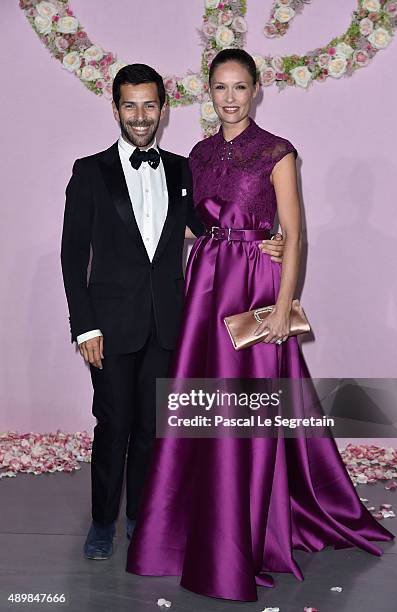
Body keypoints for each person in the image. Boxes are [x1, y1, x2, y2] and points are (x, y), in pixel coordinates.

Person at [126, 50, 395, 601]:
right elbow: (188, 227)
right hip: (204, 290)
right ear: (209, 91)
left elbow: (293, 235)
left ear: (256, 91)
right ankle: (181, 533)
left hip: (254, 289)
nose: (230, 98)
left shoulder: (278, 151)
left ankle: (249, 530)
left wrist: (282, 304)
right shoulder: (196, 154)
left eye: (240, 87)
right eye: (221, 88)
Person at [60, 63, 284, 561]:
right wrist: (85, 326)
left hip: (168, 323)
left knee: (152, 428)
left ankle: (142, 517)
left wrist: (269, 241)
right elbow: (72, 256)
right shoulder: (89, 171)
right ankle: (102, 521)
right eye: (130, 105)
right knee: (112, 424)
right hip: (110, 326)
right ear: (116, 108)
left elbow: (213, 228)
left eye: (149, 105)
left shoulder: (185, 169)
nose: (140, 116)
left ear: (164, 109)